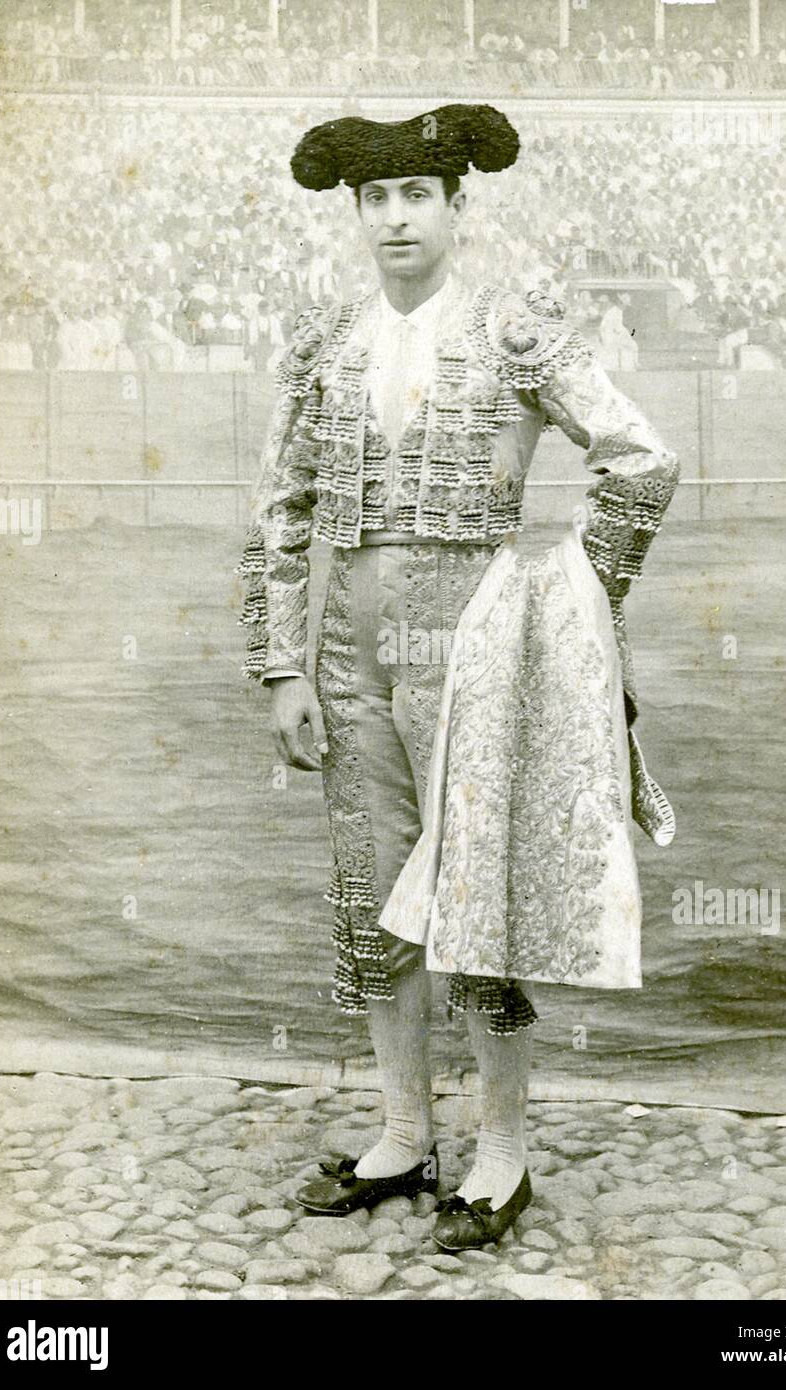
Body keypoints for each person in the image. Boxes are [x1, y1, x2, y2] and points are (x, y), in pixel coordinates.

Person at [238, 104, 678, 1250]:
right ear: (357, 217)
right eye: (374, 200)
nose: (394, 218)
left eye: (415, 196)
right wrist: (283, 666)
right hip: (346, 654)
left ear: (454, 208)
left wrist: (575, 597)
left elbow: (639, 455)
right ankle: (400, 1132)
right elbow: (281, 515)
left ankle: (502, 1152)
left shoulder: (510, 332)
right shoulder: (322, 344)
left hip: (472, 646)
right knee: (369, 894)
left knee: (475, 898)